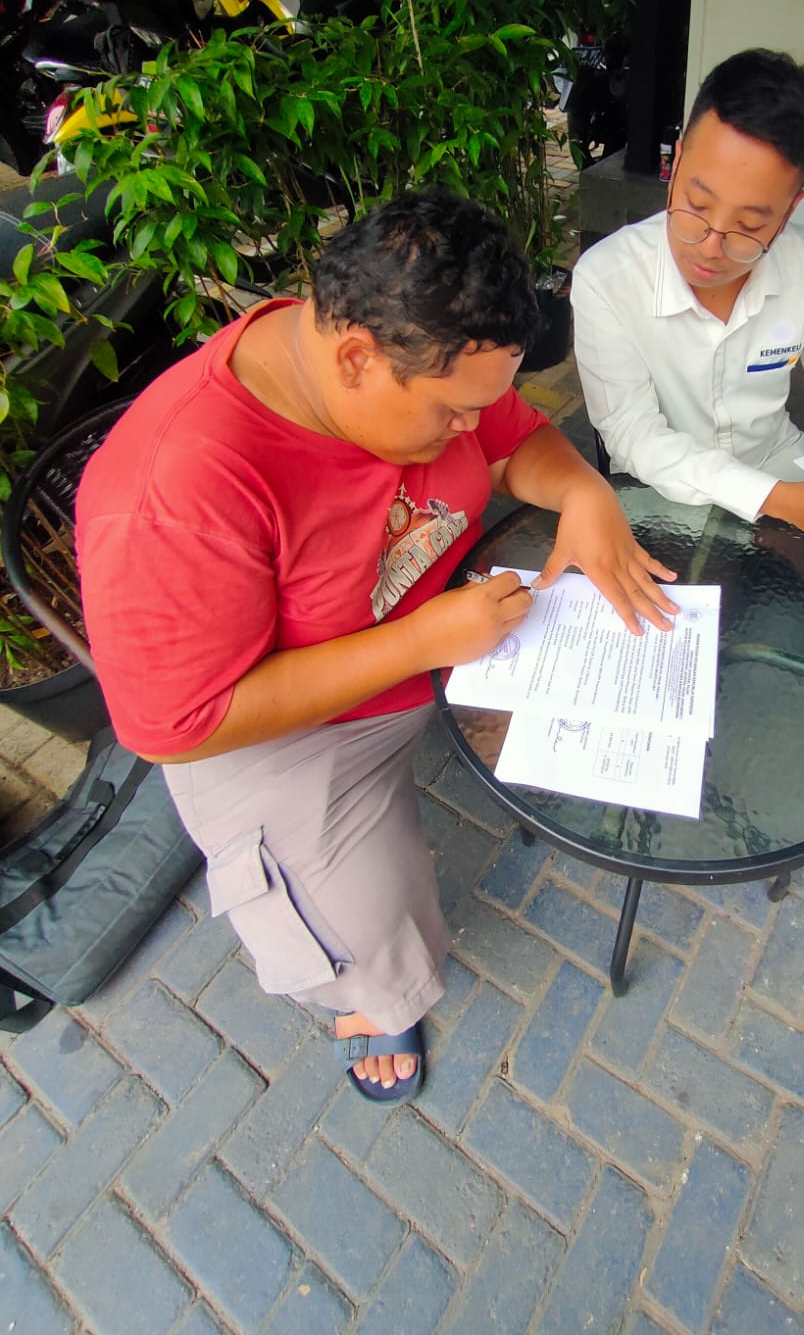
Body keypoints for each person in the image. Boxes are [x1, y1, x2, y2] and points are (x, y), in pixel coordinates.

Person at [76, 190, 677, 1104]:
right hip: (286, 728)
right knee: (371, 942)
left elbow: (518, 442)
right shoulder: (174, 492)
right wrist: (417, 642)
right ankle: (366, 998)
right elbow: (181, 722)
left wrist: (586, 493)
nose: (471, 429)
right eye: (452, 414)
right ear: (355, 358)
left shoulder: (415, 348)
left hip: (443, 635)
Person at [571, 49, 804, 545]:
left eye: (748, 226)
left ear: (789, 210)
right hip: (662, 495)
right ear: (677, 161)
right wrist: (778, 500)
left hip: (781, 464)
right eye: (697, 205)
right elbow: (636, 437)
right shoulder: (608, 278)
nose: (710, 246)